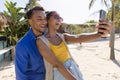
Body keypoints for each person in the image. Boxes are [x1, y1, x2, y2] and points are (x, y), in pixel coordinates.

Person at [36, 11, 111, 80]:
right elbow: (57, 64)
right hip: (59, 72)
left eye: (60, 18)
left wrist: (98, 35)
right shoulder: (41, 41)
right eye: (56, 17)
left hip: (72, 67)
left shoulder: (63, 36)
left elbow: (78, 37)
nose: (59, 20)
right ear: (47, 20)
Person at [15, 6, 76, 80]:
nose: (44, 22)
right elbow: (21, 75)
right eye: (39, 19)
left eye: (45, 19)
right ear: (30, 22)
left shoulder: (49, 35)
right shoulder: (22, 45)